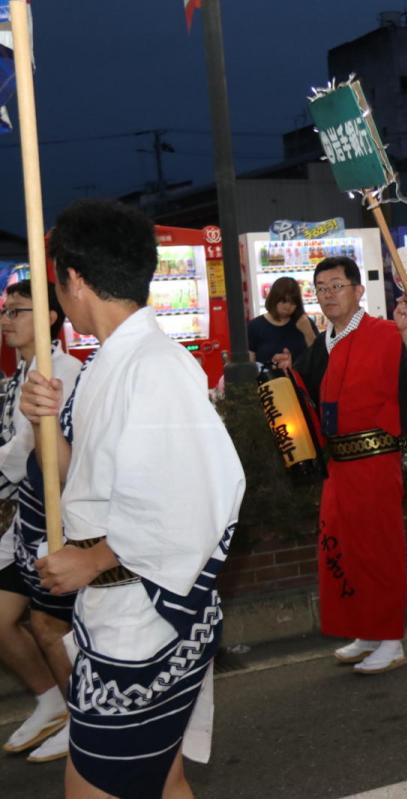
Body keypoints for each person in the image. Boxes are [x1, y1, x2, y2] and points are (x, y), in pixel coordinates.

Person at [21, 198, 245, 797]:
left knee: (94, 788)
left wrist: (91, 559)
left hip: (144, 622)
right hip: (125, 616)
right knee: (163, 780)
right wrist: (45, 425)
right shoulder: (113, 364)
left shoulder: (155, 365)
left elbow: (188, 502)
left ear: (73, 280)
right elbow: (82, 480)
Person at [275, 256, 407, 674]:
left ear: (358, 291)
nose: (328, 295)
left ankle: (392, 638)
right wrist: (288, 375)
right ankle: (367, 629)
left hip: (375, 460)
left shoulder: (384, 333)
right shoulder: (323, 342)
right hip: (338, 465)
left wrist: (406, 334)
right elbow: (306, 394)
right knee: (342, 549)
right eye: (321, 288)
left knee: (379, 550)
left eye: (336, 286)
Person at [0, 281, 82, 764]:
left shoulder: (63, 371)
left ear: (52, 316)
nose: (7, 319)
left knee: (50, 624)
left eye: (18, 311)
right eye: (6, 311)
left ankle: (82, 718)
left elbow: (30, 450)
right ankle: (52, 701)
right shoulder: (22, 372)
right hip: (24, 524)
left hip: (56, 525)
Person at [247, 276, 316, 366]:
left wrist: (308, 332)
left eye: (292, 303)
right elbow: (250, 363)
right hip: (267, 379)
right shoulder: (255, 326)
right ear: (274, 299)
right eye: (283, 301)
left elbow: (318, 358)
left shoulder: (304, 323)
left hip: (300, 379)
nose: (288, 306)